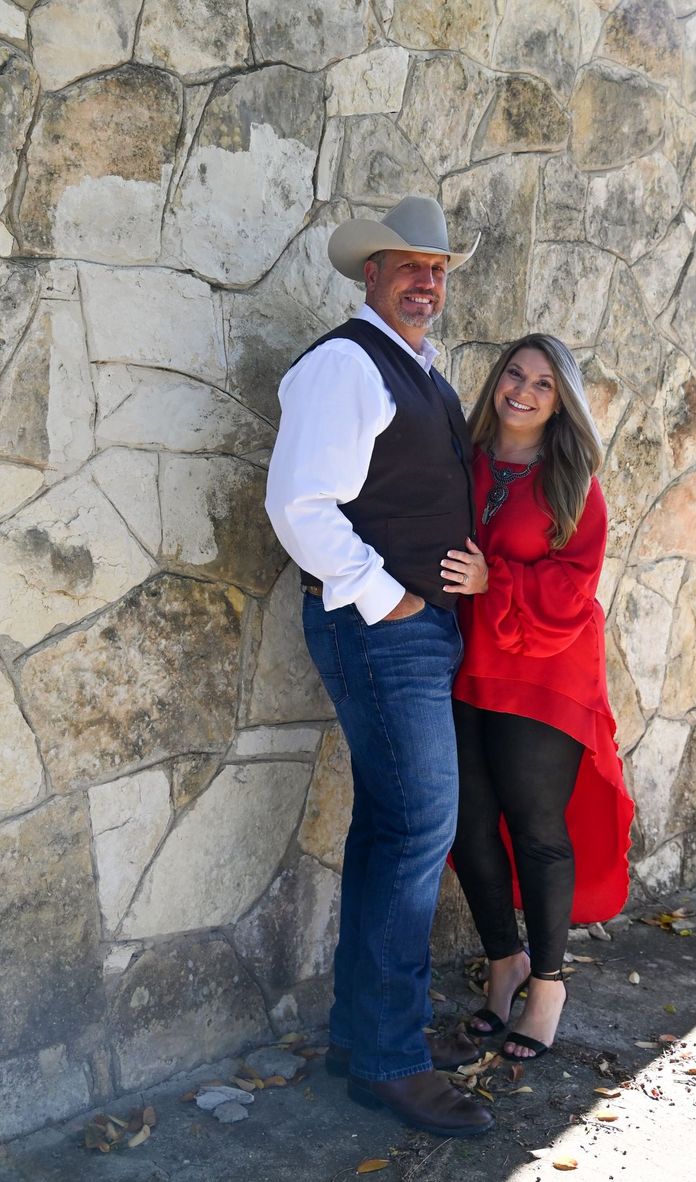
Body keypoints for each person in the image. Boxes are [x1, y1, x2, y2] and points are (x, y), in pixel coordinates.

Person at [264, 196, 493, 1137]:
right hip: (382, 632)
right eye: (408, 265)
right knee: (415, 837)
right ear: (371, 274)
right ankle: (391, 1061)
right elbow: (298, 506)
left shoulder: (420, 372)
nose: (427, 282)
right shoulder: (345, 366)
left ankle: (367, 1036)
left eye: (438, 269)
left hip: (411, 632)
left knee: (389, 836)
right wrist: (385, 595)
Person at [440, 334, 634, 1061]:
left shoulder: (572, 480)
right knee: (468, 824)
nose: (522, 391)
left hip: (547, 672)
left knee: (535, 826)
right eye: (514, 375)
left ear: (562, 403)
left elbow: (574, 588)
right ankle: (504, 963)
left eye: (543, 384)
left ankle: (547, 984)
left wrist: (497, 582)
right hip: (466, 664)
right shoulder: (466, 458)